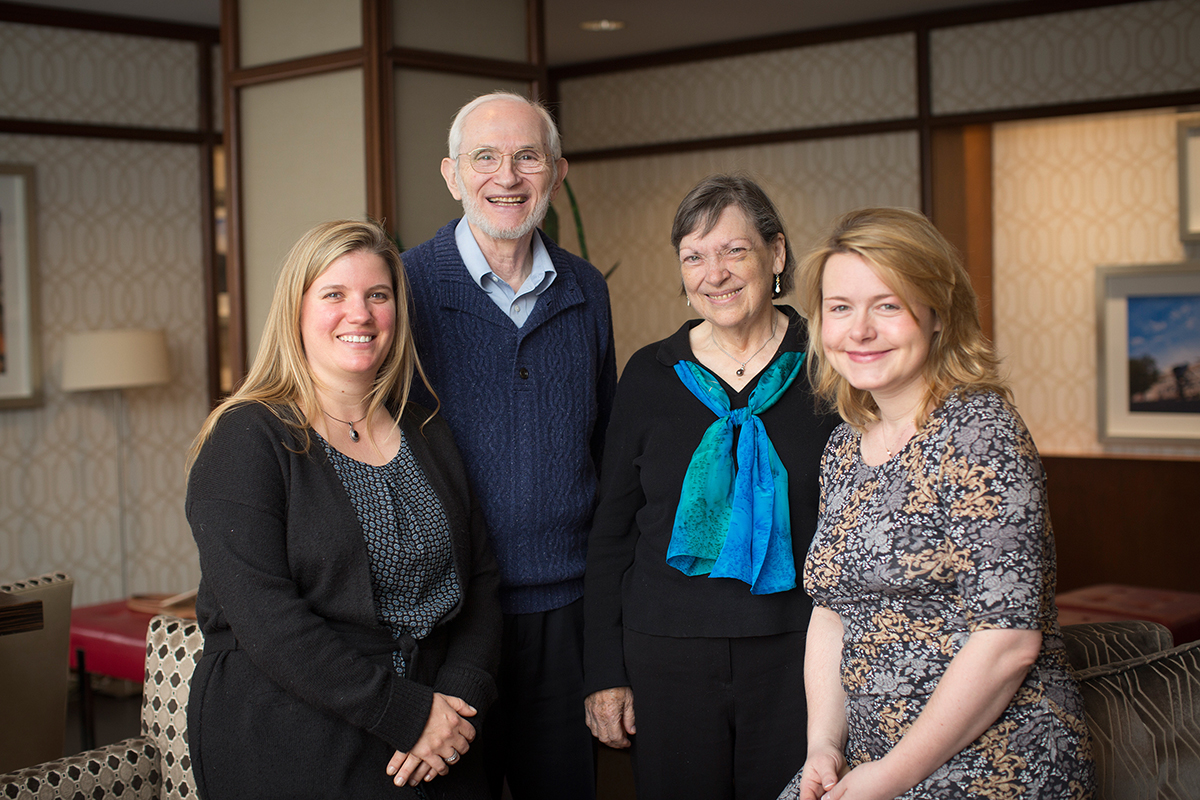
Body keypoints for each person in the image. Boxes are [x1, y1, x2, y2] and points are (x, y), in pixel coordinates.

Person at [777, 207, 1095, 800]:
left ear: (938, 314)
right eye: (840, 308)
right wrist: (823, 745)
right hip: (870, 757)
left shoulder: (979, 433)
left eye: (887, 305)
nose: (859, 331)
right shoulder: (845, 444)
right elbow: (832, 611)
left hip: (998, 759)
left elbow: (1008, 641)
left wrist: (890, 776)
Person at [185, 219, 501, 799]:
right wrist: (406, 714)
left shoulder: (425, 428)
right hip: (293, 732)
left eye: (377, 295)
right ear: (297, 311)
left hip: (440, 732)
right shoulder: (247, 436)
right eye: (334, 294)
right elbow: (266, 620)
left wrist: (457, 701)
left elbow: (480, 579)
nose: (360, 314)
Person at [583, 174, 838, 800]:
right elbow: (611, 535)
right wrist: (605, 673)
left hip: (799, 653)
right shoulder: (650, 374)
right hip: (664, 653)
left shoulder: (831, 364)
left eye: (734, 251)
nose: (714, 274)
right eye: (694, 257)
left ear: (776, 254)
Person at [402, 91, 617, 800]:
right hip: (448, 617)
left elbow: (605, 452)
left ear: (557, 173)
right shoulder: (404, 288)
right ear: (451, 175)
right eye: (485, 157)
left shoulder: (586, 289)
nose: (507, 177)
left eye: (528, 157)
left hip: (566, 612)